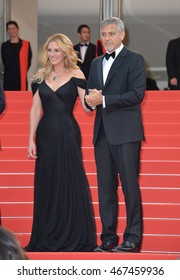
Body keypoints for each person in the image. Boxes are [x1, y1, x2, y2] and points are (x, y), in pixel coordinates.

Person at [25, 33, 96, 252]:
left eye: (57, 50)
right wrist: (30, 138)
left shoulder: (76, 73)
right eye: (49, 50)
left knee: (68, 181)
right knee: (48, 182)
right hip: (45, 136)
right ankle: (47, 233)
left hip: (67, 133)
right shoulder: (39, 76)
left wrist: (93, 102)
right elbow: (36, 109)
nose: (53, 54)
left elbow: (85, 107)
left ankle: (72, 233)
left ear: (65, 51)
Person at [85, 17, 146, 253]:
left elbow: (137, 94)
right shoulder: (95, 62)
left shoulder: (135, 60)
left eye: (111, 33)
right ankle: (108, 238)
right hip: (101, 134)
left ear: (122, 35)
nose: (107, 38)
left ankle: (132, 239)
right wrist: (90, 102)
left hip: (126, 133)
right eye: (104, 34)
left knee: (130, 187)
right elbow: (92, 94)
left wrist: (104, 100)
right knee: (105, 189)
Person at [1, 20, 32, 91]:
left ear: (18, 30)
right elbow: (4, 61)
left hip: (21, 78)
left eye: (13, 28)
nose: (11, 31)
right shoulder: (4, 45)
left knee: (21, 100)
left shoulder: (26, 44)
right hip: (8, 79)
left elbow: (28, 61)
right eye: (9, 29)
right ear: (7, 31)